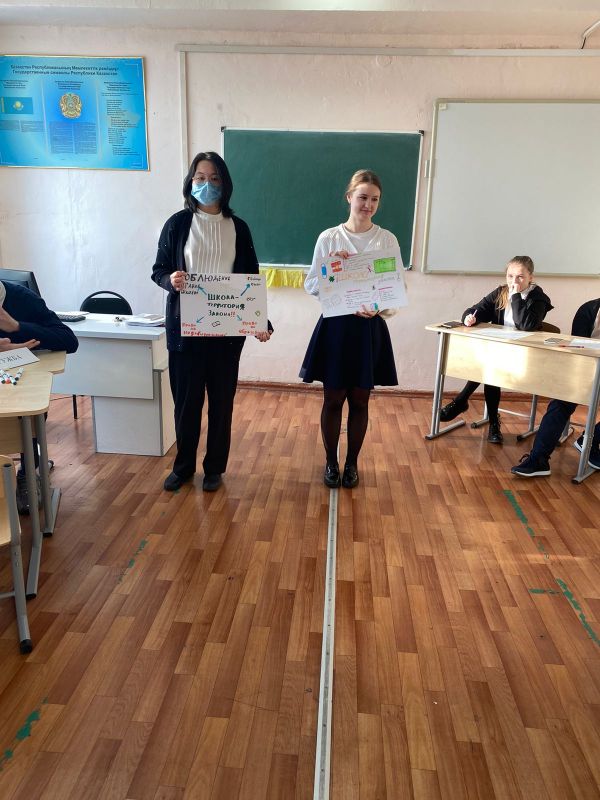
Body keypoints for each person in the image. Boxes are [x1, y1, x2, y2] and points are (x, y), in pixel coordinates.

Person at [152, 151, 271, 493]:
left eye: (214, 178)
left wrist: (261, 321)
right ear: (191, 182)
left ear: (225, 183)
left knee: (221, 405)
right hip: (186, 333)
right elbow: (159, 269)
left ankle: (214, 469)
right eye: (200, 178)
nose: (207, 184)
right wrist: (170, 280)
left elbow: (250, 280)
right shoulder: (177, 224)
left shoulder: (239, 228)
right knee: (186, 406)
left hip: (226, 334)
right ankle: (183, 468)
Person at [300, 169, 400, 489]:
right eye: (362, 197)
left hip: (368, 330)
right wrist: (331, 267)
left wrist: (379, 307)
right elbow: (311, 284)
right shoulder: (329, 238)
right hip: (336, 329)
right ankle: (331, 462)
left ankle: (352, 463)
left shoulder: (386, 240)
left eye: (374, 199)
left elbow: (394, 290)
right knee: (333, 399)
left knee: (360, 401)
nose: (368, 205)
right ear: (349, 198)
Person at [438, 256, 553, 443]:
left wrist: (516, 296)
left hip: (525, 355)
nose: (514, 281)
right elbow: (476, 309)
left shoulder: (538, 298)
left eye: (520, 277)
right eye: (510, 276)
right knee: (490, 368)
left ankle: (462, 401)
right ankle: (492, 422)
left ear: (531, 277)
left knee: (490, 366)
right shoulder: (501, 292)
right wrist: (469, 318)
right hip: (499, 352)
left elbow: (526, 325)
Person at [0, 279, 79, 512]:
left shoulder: (22, 298)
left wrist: (16, 327)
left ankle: (27, 471)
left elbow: (68, 340)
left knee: (29, 407)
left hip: (19, 384)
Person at [511, 297, 600, 477]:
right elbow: (579, 349)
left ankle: (590, 441)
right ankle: (538, 459)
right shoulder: (589, 310)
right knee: (561, 403)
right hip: (585, 370)